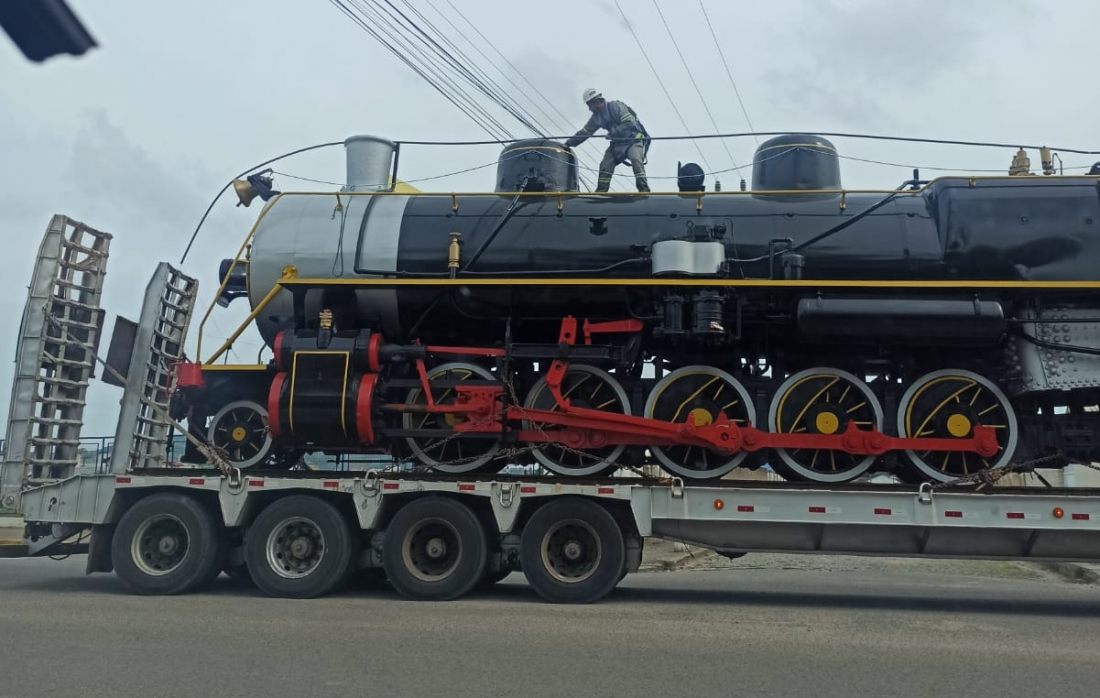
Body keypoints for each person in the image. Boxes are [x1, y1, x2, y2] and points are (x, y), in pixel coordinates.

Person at [565, 88, 651, 193]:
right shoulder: (596, 118)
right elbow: (585, 132)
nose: (589, 109)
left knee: (635, 159)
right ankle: (601, 193)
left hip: (632, 141)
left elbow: (629, 123)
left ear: (596, 102)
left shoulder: (615, 106)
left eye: (589, 105)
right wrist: (568, 144)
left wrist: (612, 133)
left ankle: (644, 190)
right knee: (605, 165)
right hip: (617, 144)